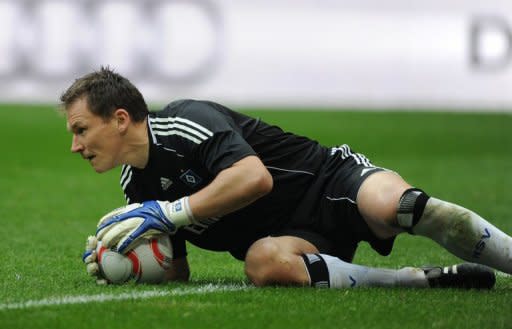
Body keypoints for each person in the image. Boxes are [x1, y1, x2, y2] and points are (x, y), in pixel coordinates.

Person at [63, 67, 510, 289]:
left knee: (403, 207)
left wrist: (170, 212)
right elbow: (178, 270)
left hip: (331, 180)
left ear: (120, 119)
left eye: (81, 130)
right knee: (263, 265)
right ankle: (418, 280)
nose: (75, 147)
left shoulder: (185, 120)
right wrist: (129, 262)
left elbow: (255, 179)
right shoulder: (135, 187)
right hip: (291, 237)